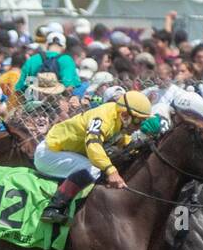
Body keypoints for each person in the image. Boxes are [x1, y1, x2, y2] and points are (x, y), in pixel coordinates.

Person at [34, 90, 155, 224]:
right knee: (93, 168)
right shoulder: (102, 117)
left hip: (67, 154)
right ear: (125, 115)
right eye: (138, 122)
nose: (138, 128)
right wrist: (111, 170)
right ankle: (53, 209)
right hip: (49, 153)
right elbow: (93, 144)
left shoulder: (120, 121)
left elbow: (125, 144)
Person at [14, 32, 79, 94]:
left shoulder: (33, 59)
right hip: (57, 102)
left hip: (34, 100)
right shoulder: (66, 60)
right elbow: (69, 85)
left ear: (47, 45)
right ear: (64, 47)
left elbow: (19, 87)